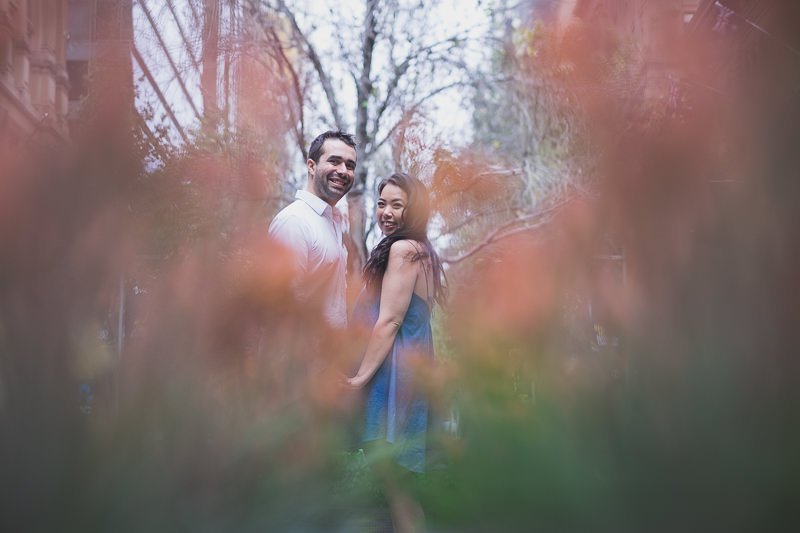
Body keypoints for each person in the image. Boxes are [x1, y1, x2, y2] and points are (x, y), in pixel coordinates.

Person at [345, 172, 446, 533]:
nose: (385, 212)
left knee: (395, 483)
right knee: (395, 483)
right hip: (408, 375)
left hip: (394, 380)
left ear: (413, 210)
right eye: (381, 203)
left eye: (396, 205)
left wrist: (359, 377)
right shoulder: (421, 251)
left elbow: (388, 322)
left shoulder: (405, 250)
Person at [268, 130, 357, 330]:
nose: (343, 171)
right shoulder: (294, 222)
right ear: (311, 166)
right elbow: (283, 310)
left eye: (350, 165)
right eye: (334, 161)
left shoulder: (332, 222)